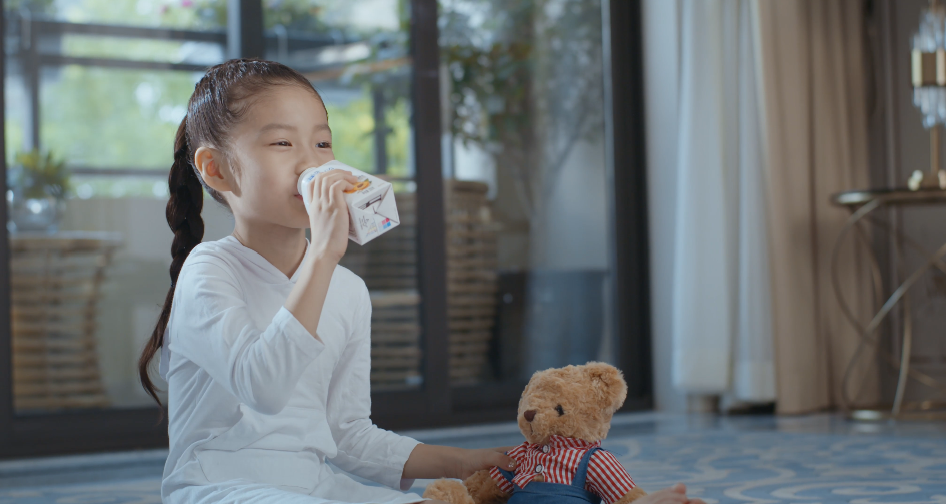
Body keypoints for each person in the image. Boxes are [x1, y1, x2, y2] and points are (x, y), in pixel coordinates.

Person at [137, 58, 705, 504]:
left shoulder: (345, 290)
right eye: (283, 143)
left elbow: (348, 434)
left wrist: (465, 462)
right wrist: (325, 256)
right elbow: (263, 385)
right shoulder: (209, 272)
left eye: (323, 142)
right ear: (216, 170)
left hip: (314, 488)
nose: (312, 162)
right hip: (219, 491)